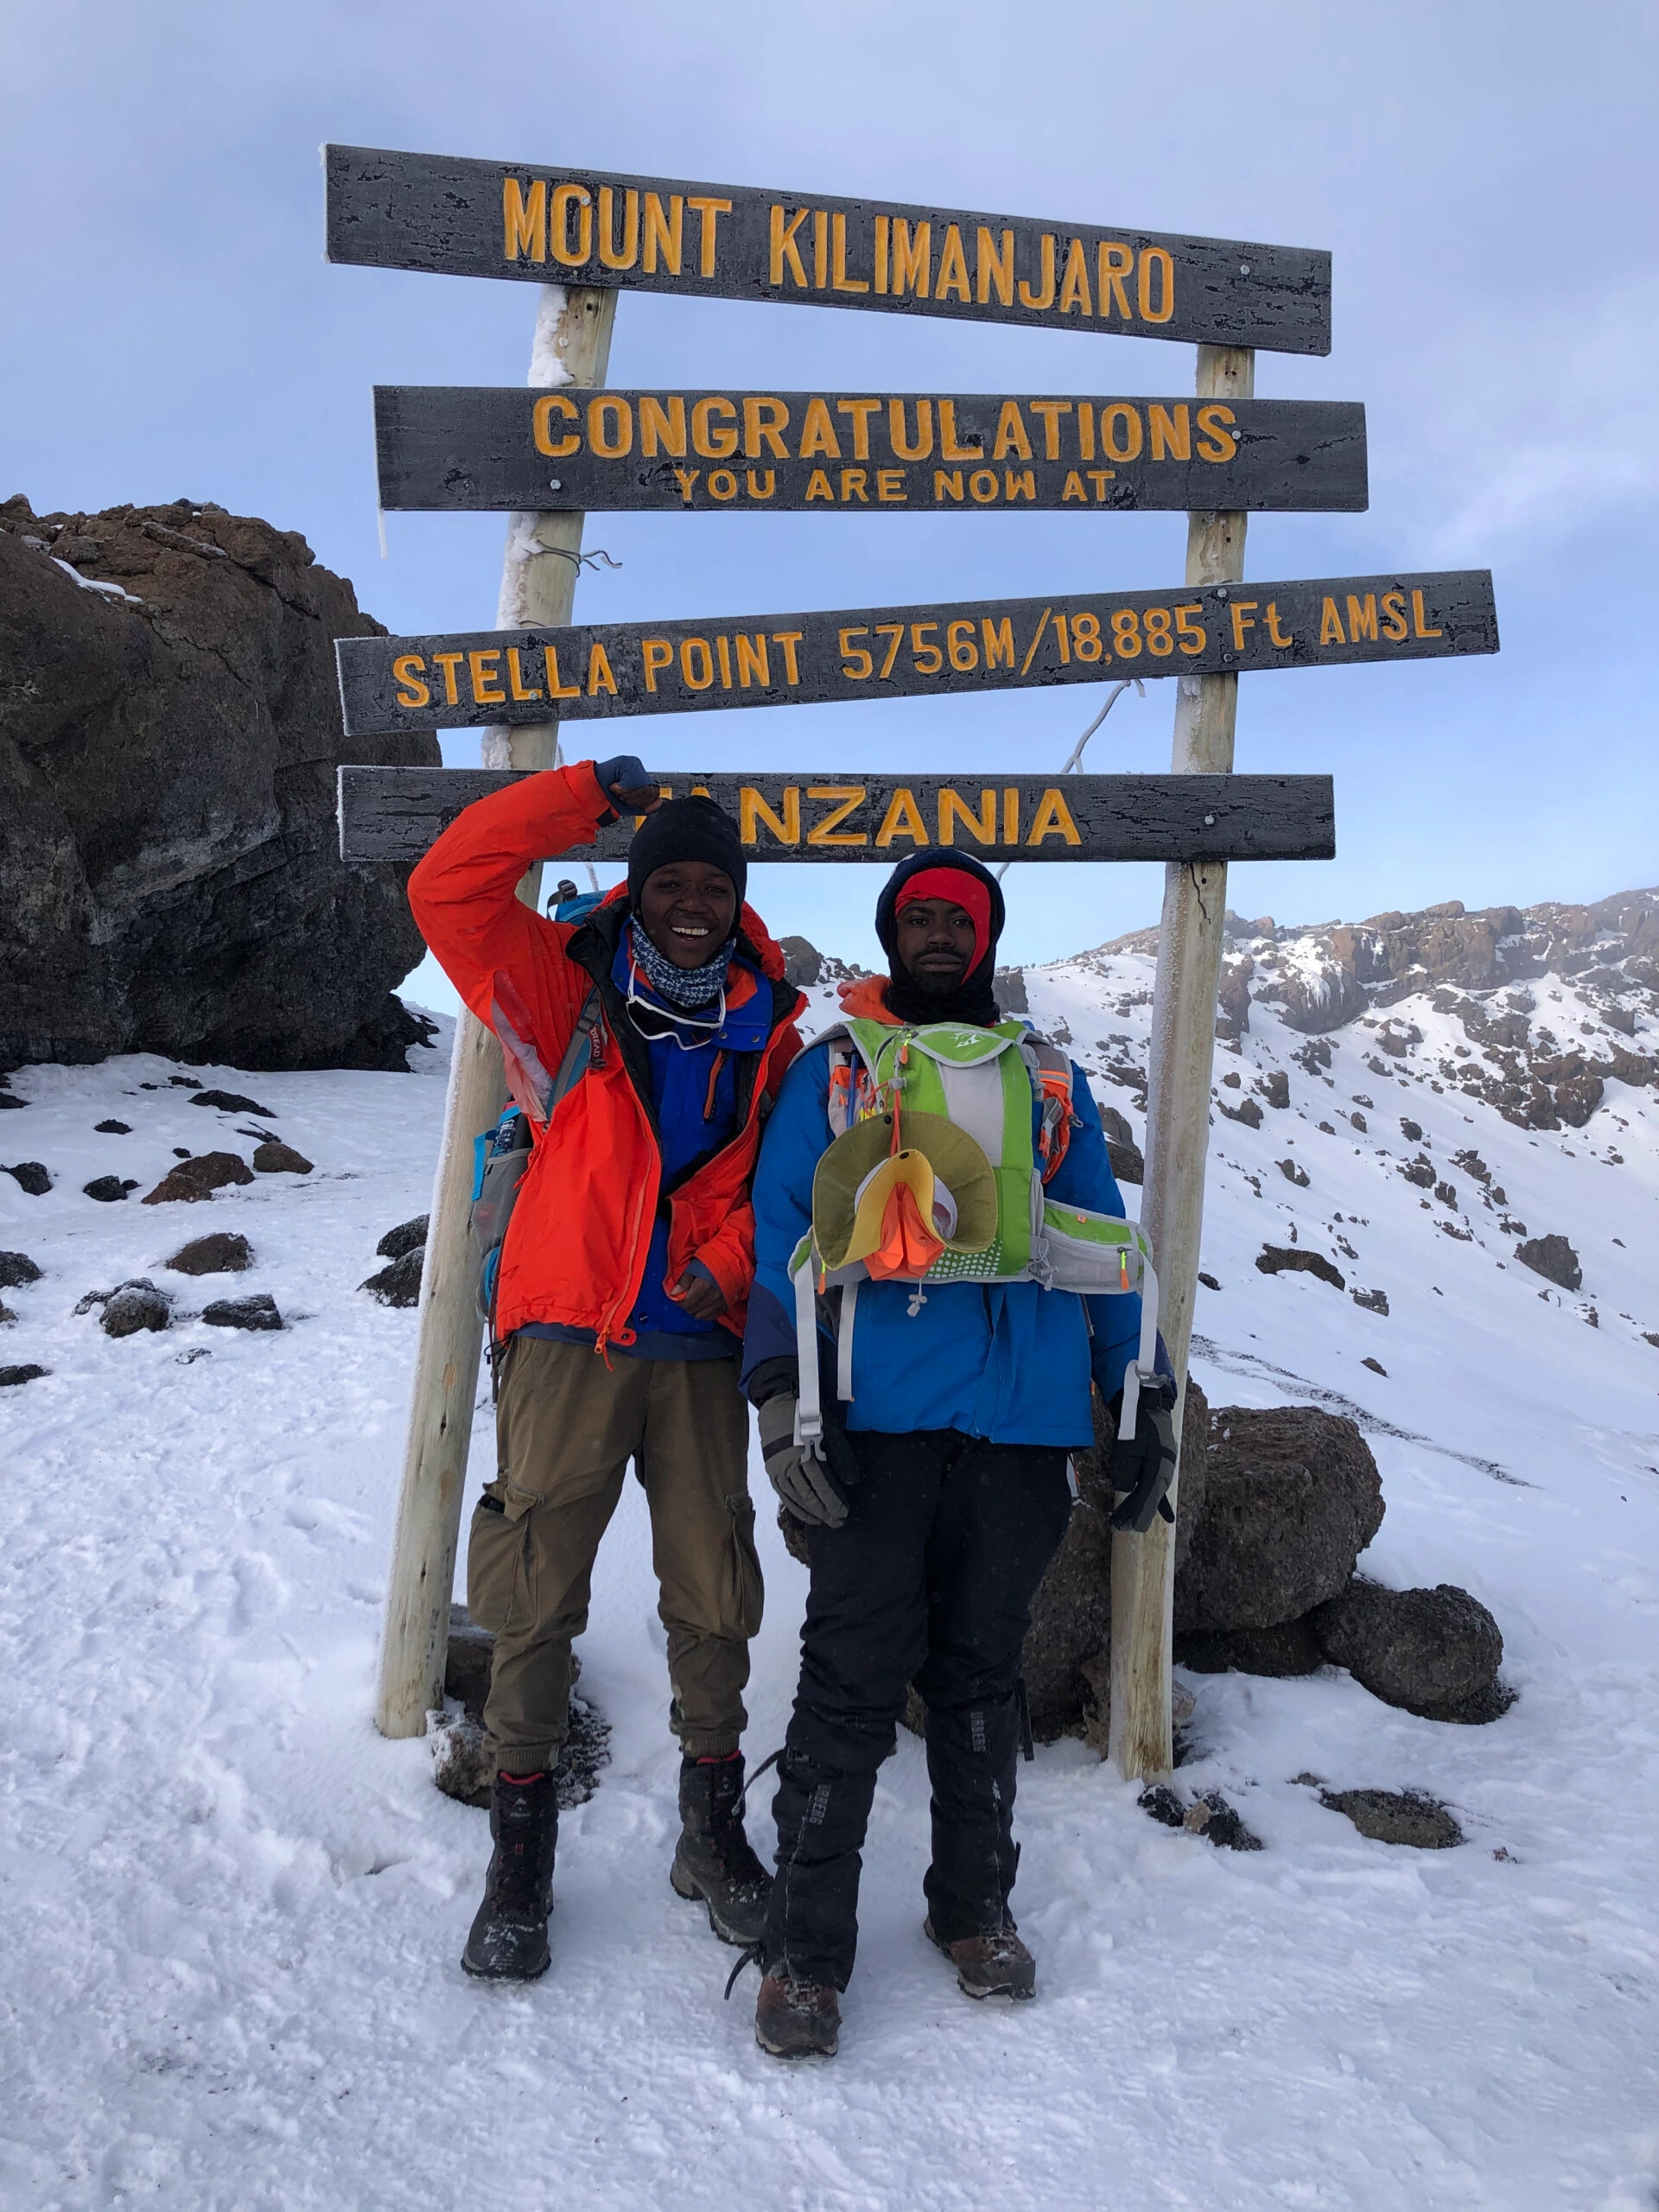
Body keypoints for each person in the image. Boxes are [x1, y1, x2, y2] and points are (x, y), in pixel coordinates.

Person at [736, 847, 1177, 2059]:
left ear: (986, 938)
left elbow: (1098, 1237)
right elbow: (785, 1236)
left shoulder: (1049, 1081)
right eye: (918, 915)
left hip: (1024, 1425)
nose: (939, 932)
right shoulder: (835, 1071)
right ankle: (806, 1950)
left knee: (983, 1679)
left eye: (959, 917)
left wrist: (1135, 1393)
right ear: (891, 935)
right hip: (874, 1415)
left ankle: (974, 1913)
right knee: (852, 1682)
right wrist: (780, 1394)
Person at [408, 757, 805, 1982]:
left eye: (712, 885)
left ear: (738, 900)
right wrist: (583, 797)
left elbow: (779, 1187)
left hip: (694, 1348)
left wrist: (729, 1270)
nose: (691, 901)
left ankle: (710, 1834)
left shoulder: (769, 1027)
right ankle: (519, 1868)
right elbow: (450, 885)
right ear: (635, 890)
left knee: (713, 1592)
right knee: (532, 1596)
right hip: (565, 1336)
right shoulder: (556, 984)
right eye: (669, 880)